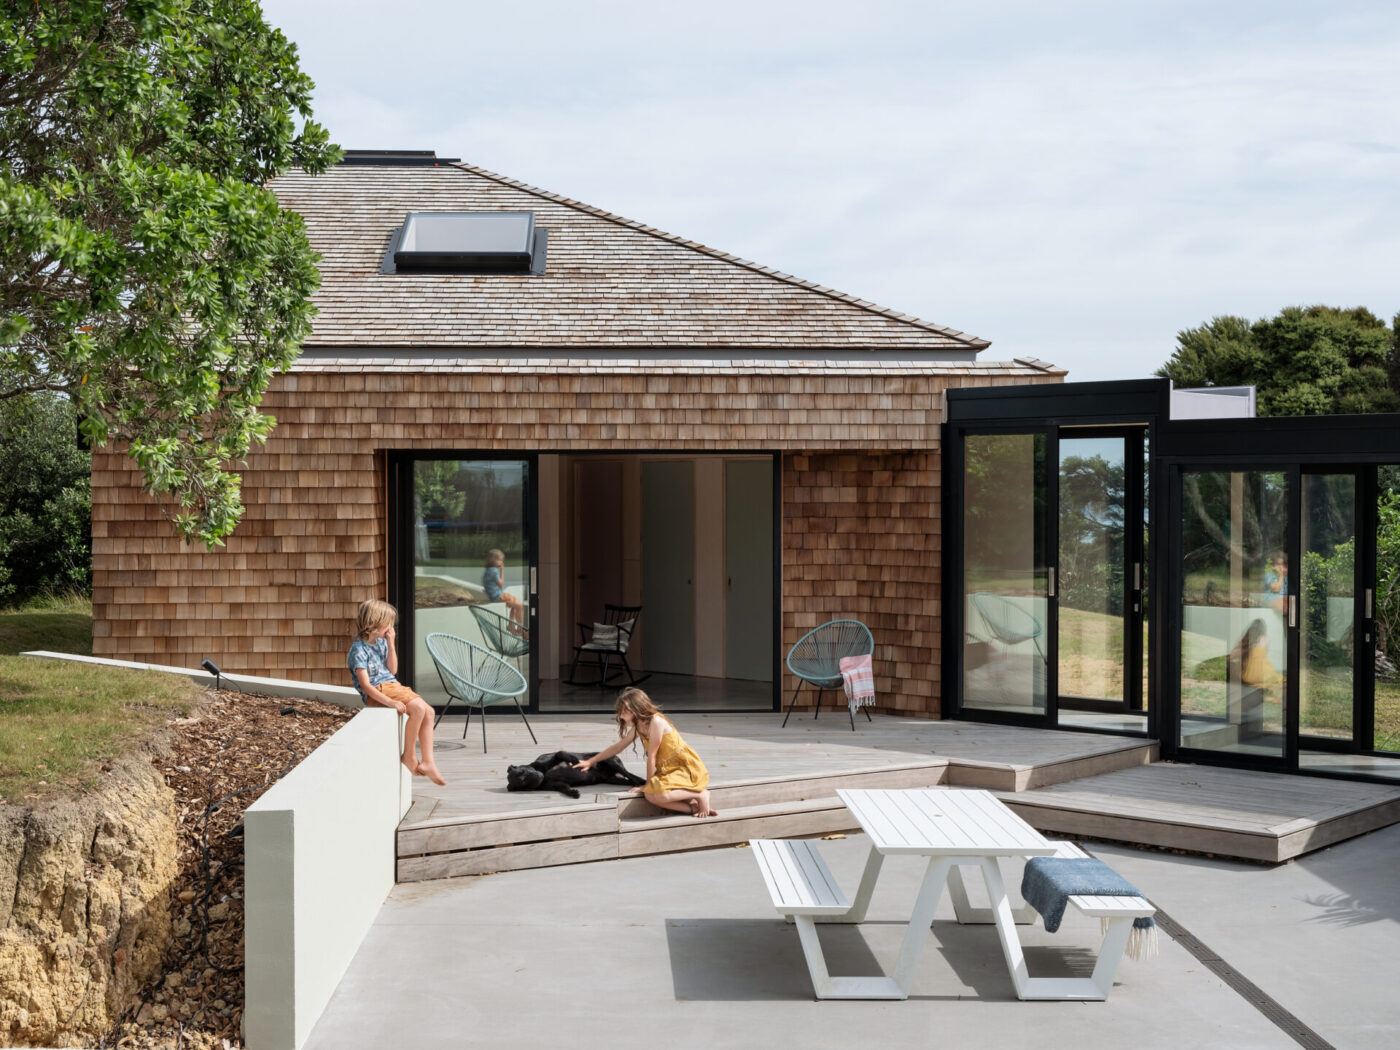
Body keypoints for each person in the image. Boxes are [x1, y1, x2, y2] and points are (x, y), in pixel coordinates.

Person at [347, 599, 446, 786]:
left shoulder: (381, 643)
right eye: (389, 623)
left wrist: (391, 644)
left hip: (391, 685)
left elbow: (392, 670)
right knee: (417, 708)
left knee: (429, 712)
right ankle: (409, 755)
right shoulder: (358, 650)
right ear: (375, 623)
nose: (391, 628)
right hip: (379, 691)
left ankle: (428, 761)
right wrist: (390, 703)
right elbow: (366, 686)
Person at [574, 688, 716, 818]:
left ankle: (700, 794)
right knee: (650, 796)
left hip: (683, 767)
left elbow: (652, 757)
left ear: (636, 709)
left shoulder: (656, 722)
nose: (621, 717)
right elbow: (617, 747)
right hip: (667, 770)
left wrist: (648, 784)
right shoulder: (638, 727)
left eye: (624, 712)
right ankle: (692, 808)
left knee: (653, 791)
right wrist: (591, 761)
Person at [482, 548, 527, 635]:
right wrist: (502, 570)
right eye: (500, 560)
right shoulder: (494, 571)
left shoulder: (487, 571)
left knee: (515, 605)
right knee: (520, 605)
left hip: (494, 595)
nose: (501, 562)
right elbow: (501, 584)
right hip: (498, 595)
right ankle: (520, 628)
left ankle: (511, 625)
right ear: (494, 560)